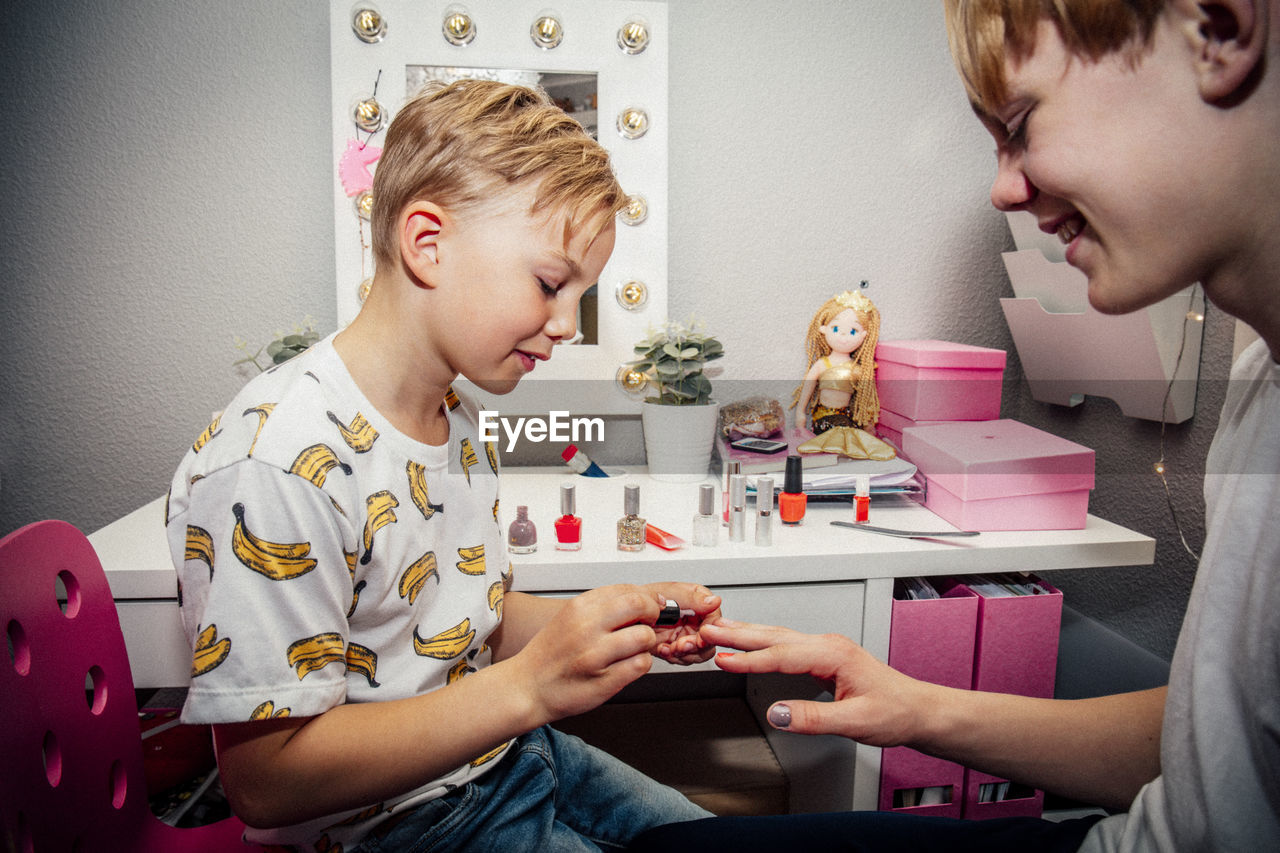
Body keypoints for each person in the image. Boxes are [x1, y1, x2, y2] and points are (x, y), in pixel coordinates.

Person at [630, 0, 1280, 850]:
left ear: (1217, 29)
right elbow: (1213, 749)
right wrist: (913, 704)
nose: (1004, 186)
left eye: (1019, 124)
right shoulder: (1258, 371)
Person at [165, 79, 719, 852]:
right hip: (395, 825)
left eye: (582, 297)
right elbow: (265, 783)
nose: (565, 324)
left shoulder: (456, 420)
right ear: (427, 243)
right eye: (552, 284)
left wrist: (611, 620)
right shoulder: (279, 463)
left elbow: (461, 629)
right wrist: (528, 687)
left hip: (505, 761)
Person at [790, 290, 896, 460]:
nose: (844, 337)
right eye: (836, 328)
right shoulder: (822, 364)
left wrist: (868, 426)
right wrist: (800, 414)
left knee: (846, 443)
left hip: (846, 420)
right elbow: (807, 388)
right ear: (824, 329)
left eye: (853, 331)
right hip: (822, 419)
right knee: (836, 441)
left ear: (864, 336)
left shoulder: (857, 370)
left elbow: (865, 400)